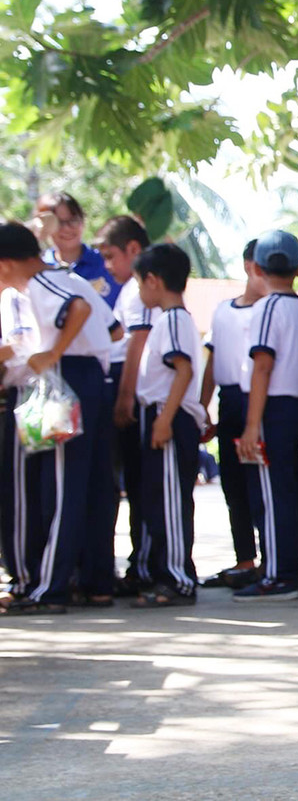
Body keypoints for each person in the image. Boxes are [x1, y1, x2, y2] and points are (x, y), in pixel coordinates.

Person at [0, 221, 120, 615]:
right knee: (83, 487)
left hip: (67, 378)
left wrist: (53, 354)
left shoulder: (42, 282)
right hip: (85, 379)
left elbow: (81, 311)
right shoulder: (68, 279)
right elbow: (114, 329)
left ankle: (47, 587)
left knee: (60, 488)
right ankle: (87, 579)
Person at [233, 231, 298, 602]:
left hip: (273, 408)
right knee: (291, 492)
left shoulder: (266, 308)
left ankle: (277, 574)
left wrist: (252, 425)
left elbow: (262, 365)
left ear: (258, 268)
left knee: (272, 494)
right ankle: (290, 570)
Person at [131, 244, 206, 607]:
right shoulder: (168, 319)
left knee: (172, 502)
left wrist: (163, 420)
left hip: (169, 415)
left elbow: (184, 369)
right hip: (161, 413)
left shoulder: (174, 319)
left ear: (153, 280)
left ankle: (178, 578)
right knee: (159, 501)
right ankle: (164, 573)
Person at [198, 241, 267, 589]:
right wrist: (202, 408)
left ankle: (273, 558)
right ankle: (245, 559)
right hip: (230, 402)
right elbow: (212, 362)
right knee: (233, 484)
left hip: (263, 401)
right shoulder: (223, 311)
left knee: (262, 485)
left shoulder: (275, 309)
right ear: (247, 265)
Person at [94, 215, 154, 601]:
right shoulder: (132, 290)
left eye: (110, 255)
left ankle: (145, 565)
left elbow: (136, 344)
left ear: (133, 250)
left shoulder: (139, 290)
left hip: (134, 391)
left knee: (140, 484)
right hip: (125, 387)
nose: (106, 265)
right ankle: (138, 564)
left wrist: (124, 396)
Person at [34, 192, 121, 308]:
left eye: (73, 220)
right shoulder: (39, 269)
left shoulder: (106, 262)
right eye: (58, 223)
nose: (67, 228)